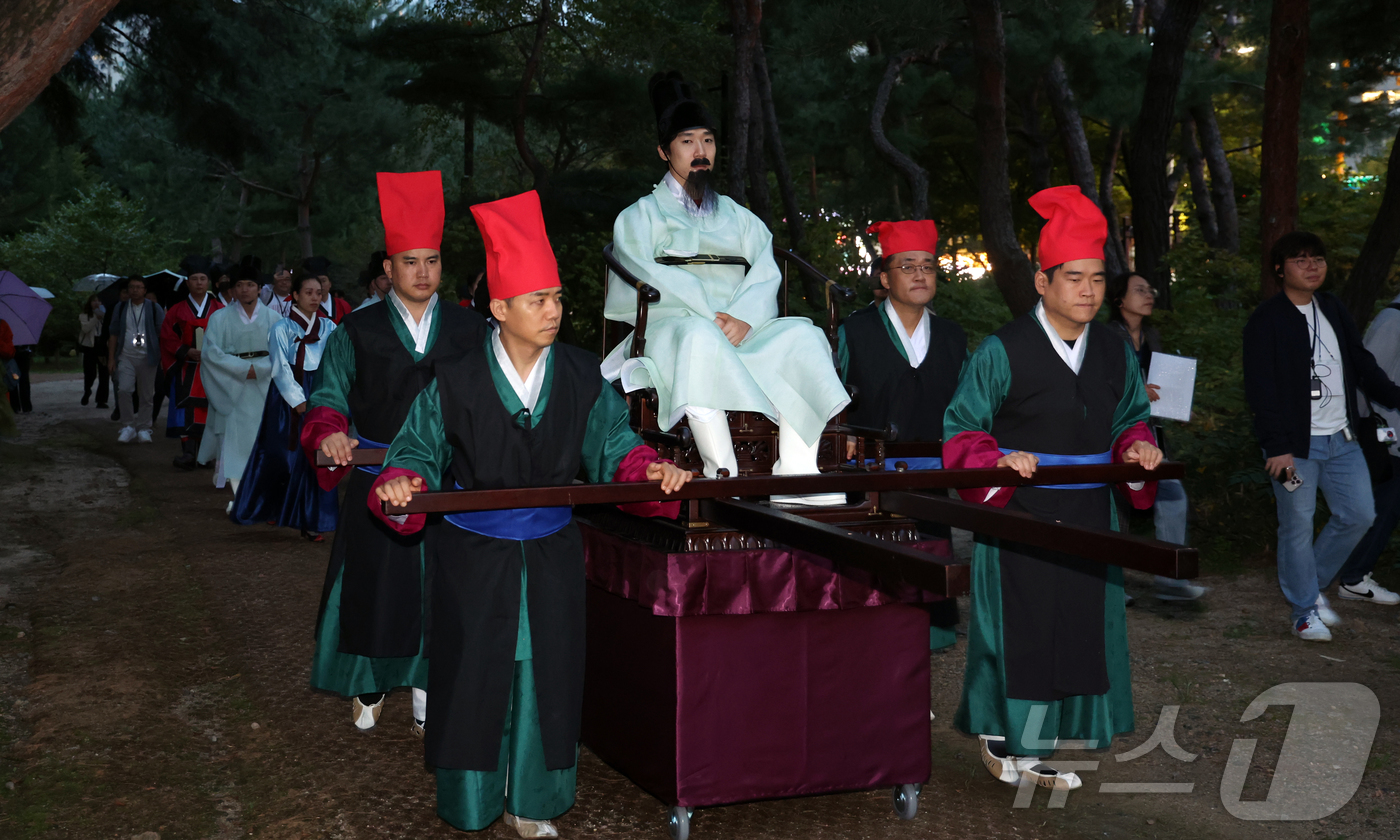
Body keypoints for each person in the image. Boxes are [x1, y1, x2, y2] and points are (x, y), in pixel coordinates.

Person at [372, 190, 692, 838]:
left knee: (546, 678)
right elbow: (414, 452)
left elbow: (615, 447)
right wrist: (403, 482)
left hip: (551, 554)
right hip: (472, 559)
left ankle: (534, 804)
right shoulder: (454, 379)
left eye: (557, 298)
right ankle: (473, 802)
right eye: (538, 299)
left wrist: (648, 472)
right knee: (473, 680)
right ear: (499, 309)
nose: (554, 310)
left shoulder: (580, 376)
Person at [943, 185, 1162, 790]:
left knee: (1077, 623)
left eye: (1096, 279)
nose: (1088, 290)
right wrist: (995, 458)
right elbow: (962, 426)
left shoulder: (1116, 350)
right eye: (1073, 278)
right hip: (1024, 512)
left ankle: (1039, 744)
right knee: (1024, 626)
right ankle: (1007, 739)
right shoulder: (1002, 349)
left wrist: (1136, 446)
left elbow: (1131, 417)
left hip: (1091, 509)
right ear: (1042, 282)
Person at [601, 72, 849, 503]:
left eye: (708, 141)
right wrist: (709, 313)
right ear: (664, 151)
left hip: (737, 325)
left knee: (803, 335)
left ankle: (797, 473)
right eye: (687, 142)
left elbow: (767, 268)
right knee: (698, 337)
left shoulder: (737, 216)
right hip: (673, 327)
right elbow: (646, 271)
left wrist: (746, 318)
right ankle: (723, 475)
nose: (701, 152)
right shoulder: (639, 216)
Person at [301, 170, 486, 735]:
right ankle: (371, 681)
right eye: (410, 262)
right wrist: (329, 432)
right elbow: (328, 397)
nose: (423, 272)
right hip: (377, 475)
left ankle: (433, 687)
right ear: (389, 268)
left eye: (431, 260)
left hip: (449, 483)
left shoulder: (472, 328)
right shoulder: (354, 332)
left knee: (443, 590)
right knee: (376, 587)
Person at [1243, 231, 1400, 642]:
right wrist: (1276, 447)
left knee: (1360, 514)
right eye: (1300, 259)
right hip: (1295, 446)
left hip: (1341, 437)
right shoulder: (1267, 318)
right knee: (1296, 525)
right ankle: (1303, 611)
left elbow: (1363, 364)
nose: (1311, 266)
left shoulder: (1331, 307)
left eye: (1317, 259)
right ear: (1280, 269)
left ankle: (1310, 589)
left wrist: (1396, 397)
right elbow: (1260, 387)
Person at [836, 218, 965, 650]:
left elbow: (967, 407)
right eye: (907, 266)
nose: (919, 275)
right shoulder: (854, 330)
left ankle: (934, 632)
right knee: (876, 562)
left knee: (930, 550)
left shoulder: (951, 336)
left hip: (933, 468)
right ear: (884, 276)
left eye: (927, 266)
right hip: (871, 470)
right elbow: (834, 395)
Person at [1103, 272, 1206, 603]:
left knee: (1173, 497)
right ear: (1119, 299)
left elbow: (1162, 385)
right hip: (1112, 438)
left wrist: (1175, 400)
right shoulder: (1104, 337)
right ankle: (1109, 585)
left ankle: (1171, 580)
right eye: (1139, 290)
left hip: (1152, 437)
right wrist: (1137, 392)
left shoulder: (1153, 337)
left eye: (1150, 289)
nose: (1149, 295)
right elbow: (1097, 388)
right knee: (1115, 512)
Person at [232, 272, 339, 540]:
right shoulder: (281, 328)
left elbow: (337, 364)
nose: (315, 298)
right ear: (295, 296)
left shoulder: (329, 327)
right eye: (308, 293)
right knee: (281, 456)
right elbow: (279, 368)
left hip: (321, 392)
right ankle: (271, 506)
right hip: (286, 397)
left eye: (318, 293)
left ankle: (312, 520)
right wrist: (299, 401)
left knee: (317, 457)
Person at [1332, 292, 1400, 606]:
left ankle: (1354, 574)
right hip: (1389, 433)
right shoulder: (1394, 318)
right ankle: (1354, 576)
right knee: (1383, 504)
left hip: (1391, 430)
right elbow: (1369, 376)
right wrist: (1370, 431)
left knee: (1383, 505)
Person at [198, 264, 279, 499]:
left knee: (264, 440)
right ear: (232, 290)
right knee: (234, 443)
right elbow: (211, 353)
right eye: (240, 285)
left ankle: (264, 493)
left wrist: (260, 369)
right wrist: (244, 369)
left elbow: (283, 352)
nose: (245, 290)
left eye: (251, 285)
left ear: (259, 289)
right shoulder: (219, 318)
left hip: (264, 385)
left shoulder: (274, 317)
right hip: (232, 386)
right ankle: (240, 496)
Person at [160, 256, 225, 469]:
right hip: (186, 366)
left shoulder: (220, 308)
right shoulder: (176, 310)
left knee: (212, 408)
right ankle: (188, 453)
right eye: (194, 279)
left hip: (214, 367)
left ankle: (208, 455)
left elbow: (229, 335)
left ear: (209, 282)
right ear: (187, 282)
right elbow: (167, 336)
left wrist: (213, 353)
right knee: (185, 407)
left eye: (202, 278)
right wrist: (186, 351)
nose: (199, 282)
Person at [107, 276, 166, 443]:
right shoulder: (121, 308)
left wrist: (162, 357)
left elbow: (162, 335)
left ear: (145, 290)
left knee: (147, 395)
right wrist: (111, 358)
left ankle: (144, 427)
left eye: (139, 287)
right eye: (132, 287)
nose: (135, 290)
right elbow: (113, 334)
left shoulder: (154, 308)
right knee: (124, 390)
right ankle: (128, 426)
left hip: (148, 357)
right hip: (126, 355)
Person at [78, 295, 108, 408]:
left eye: (99, 300)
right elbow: (85, 328)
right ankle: (87, 390)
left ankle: (101, 400)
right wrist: (96, 317)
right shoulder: (84, 315)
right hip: (90, 346)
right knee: (90, 373)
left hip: (102, 344)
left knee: (104, 373)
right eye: (94, 300)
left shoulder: (106, 314)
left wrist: (103, 316)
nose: (96, 303)